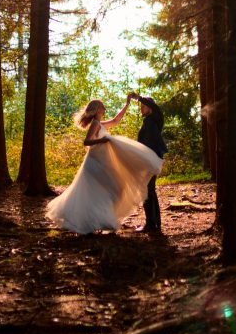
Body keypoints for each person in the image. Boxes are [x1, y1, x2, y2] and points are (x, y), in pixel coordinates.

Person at [45, 96, 163, 235]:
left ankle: (103, 219)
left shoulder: (100, 124)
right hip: (95, 161)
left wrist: (127, 104)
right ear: (96, 110)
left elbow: (116, 120)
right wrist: (103, 140)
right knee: (106, 190)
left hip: (102, 161)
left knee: (111, 190)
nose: (105, 109)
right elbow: (87, 142)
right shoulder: (95, 124)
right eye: (102, 107)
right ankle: (93, 220)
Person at [130, 92, 167, 234]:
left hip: (152, 159)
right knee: (149, 190)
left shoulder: (155, 119)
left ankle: (151, 224)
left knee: (147, 190)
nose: (141, 108)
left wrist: (138, 98)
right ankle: (154, 223)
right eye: (141, 106)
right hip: (147, 159)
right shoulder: (147, 122)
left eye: (144, 106)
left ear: (151, 108)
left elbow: (155, 107)